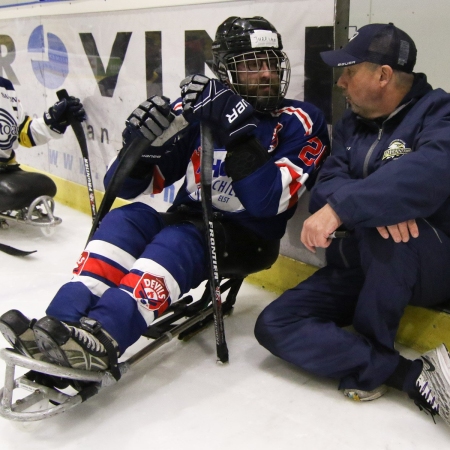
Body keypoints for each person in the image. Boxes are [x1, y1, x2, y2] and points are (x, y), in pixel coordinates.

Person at [0, 17, 329, 380]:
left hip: (250, 238)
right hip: (192, 220)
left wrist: (236, 126)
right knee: (127, 218)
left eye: (270, 62)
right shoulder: (202, 109)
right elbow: (121, 186)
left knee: (178, 238)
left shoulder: (302, 119)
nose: (265, 73)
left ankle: (104, 338)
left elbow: (268, 202)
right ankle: (60, 323)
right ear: (224, 71)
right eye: (252, 65)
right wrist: (141, 146)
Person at [254, 22, 450, 428]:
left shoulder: (440, 112)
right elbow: (327, 188)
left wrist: (351, 207)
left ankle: (368, 357)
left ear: (383, 75)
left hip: (428, 259)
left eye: (350, 71)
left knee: (392, 236)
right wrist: (382, 202)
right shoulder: (350, 125)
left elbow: (430, 173)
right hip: (356, 262)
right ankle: (405, 374)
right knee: (273, 325)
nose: (341, 82)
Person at [0, 76, 85, 170]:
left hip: (7, 170)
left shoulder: (4, 86)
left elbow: (23, 133)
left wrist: (53, 121)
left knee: (44, 184)